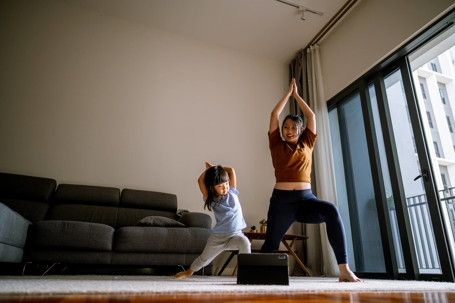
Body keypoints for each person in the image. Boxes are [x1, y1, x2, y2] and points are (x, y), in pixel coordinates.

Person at [260, 78, 362, 282]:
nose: (289, 130)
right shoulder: (275, 144)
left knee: (331, 210)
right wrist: (288, 95)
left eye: (293, 127)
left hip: (306, 200)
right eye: (286, 127)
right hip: (281, 203)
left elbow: (311, 115)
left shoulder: (307, 141)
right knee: (269, 246)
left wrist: (297, 96)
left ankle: (344, 269)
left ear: (300, 130)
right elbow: (274, 114)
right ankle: (256, 273)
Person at [174, 162, 251, 279]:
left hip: (236, 235)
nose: (225, 187)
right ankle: (189, 272)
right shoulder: (212, 200)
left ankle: (246, 273)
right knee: (204, 259)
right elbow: (200, 181)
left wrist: (216, 169)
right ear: (212, 187)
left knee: (245, 242)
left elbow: (231, 170)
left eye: (226, 184)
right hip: (219, 238)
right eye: (220, 186)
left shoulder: (233, 192)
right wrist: (209, 172)